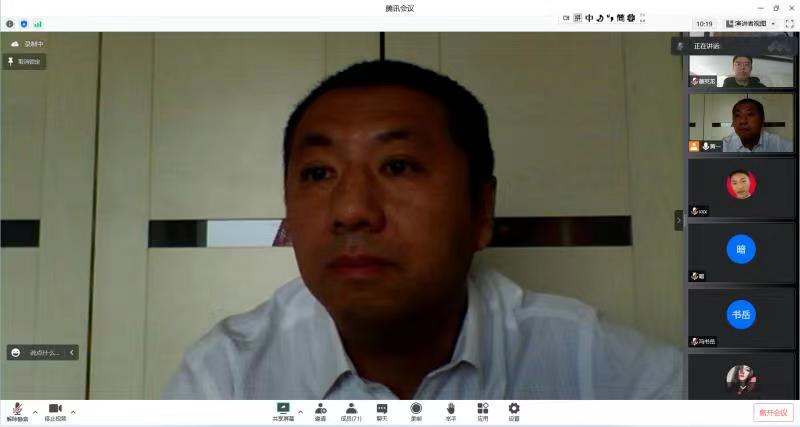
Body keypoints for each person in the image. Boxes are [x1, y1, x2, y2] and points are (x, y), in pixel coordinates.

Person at [163, 60, 680, 400]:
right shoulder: (226, 378)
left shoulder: (606, 373)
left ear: (481, 210)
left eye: (398, 166)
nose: (351, 210)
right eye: (319, 173)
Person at [722, 98, 792, 152]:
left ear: (762, 119)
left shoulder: (781, 146)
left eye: (750, 114)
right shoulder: (723, 147)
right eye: (737, 115)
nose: (743, 121)